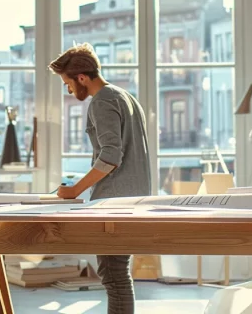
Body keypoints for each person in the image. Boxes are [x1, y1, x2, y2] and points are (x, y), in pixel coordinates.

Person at [49, 43, 151, 314]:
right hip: (133, 198)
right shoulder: (125, 96)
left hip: (114, 202)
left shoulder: (102, 101)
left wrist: (75, 190)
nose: (69, 90)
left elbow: (110, 156)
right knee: (118, 271)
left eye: (68, 83)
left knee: (113, 275)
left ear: (82, 78)